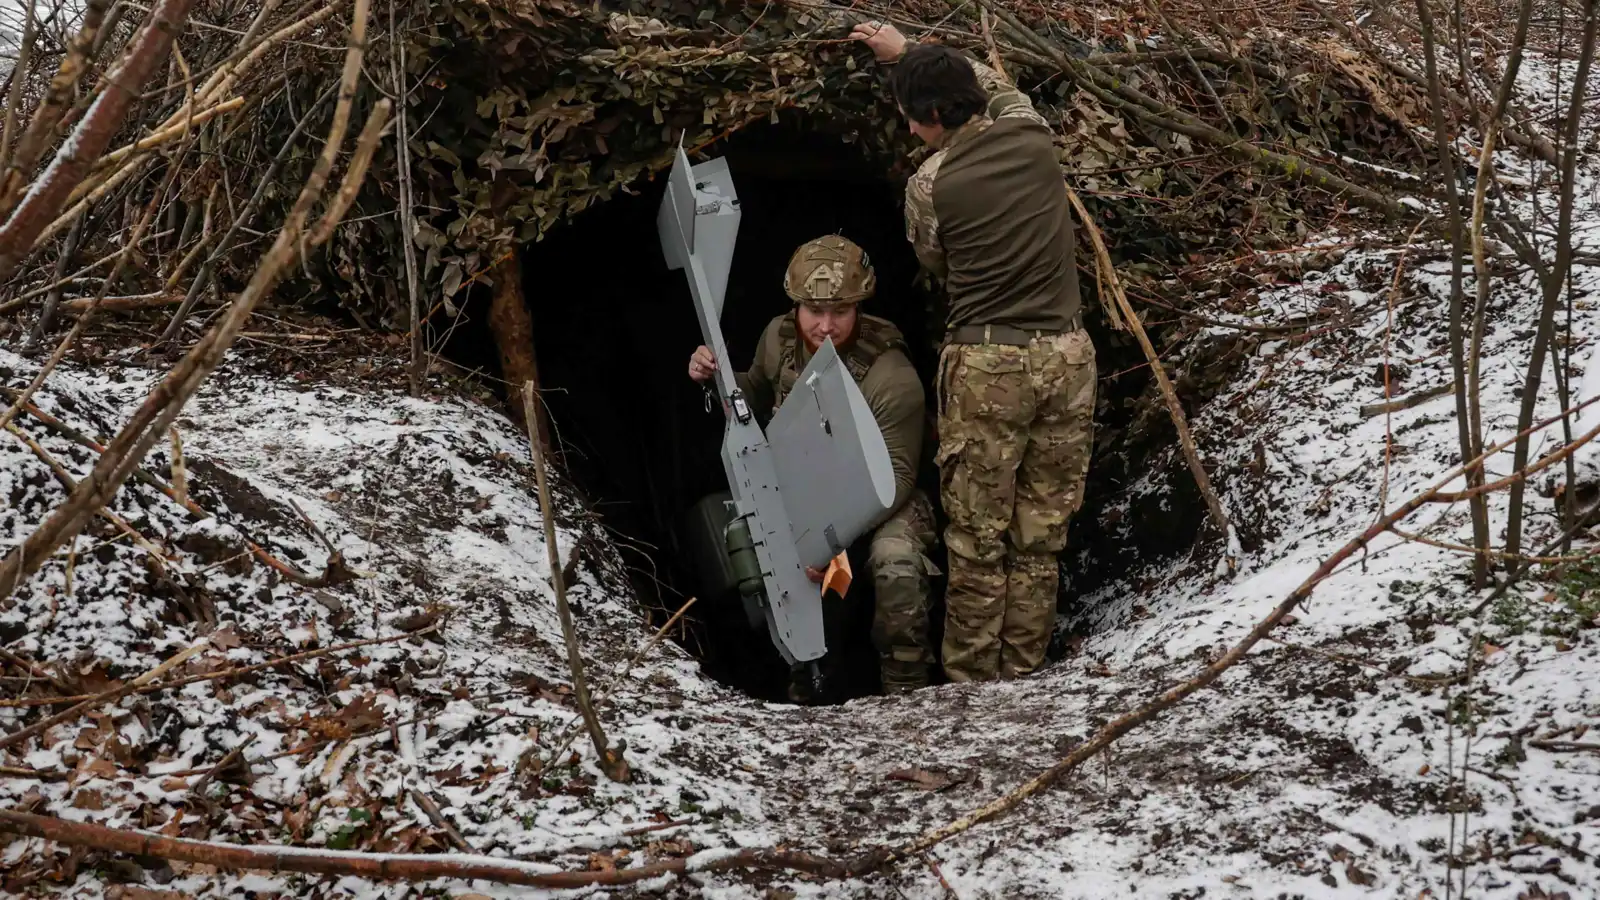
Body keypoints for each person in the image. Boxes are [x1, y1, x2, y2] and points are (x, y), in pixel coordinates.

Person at [851, 22, 1097, 683]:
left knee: (976, 541)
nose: (909, 130)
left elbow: (934, 260)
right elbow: (996, 84)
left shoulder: (930, 186)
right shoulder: (1031, 133)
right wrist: (910, 53)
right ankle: (1022, 674)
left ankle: (972, 690)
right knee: (1040, 536)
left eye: (912, 117)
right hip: (1069, 358)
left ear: (935, 115)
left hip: (990, 366)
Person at [688, 235, 938, 694]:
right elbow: (752, 395)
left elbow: (897, 478)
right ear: (796, 306)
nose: (826, 325)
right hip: (808, 487)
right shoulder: (779, 339)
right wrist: (715, 377)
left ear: (859, 306)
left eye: (840, 311)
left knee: (895, 560)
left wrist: (828, 542)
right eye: (814, 311)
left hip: (885, 499)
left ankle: (906, 690)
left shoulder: (891, 375)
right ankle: (802, 684)